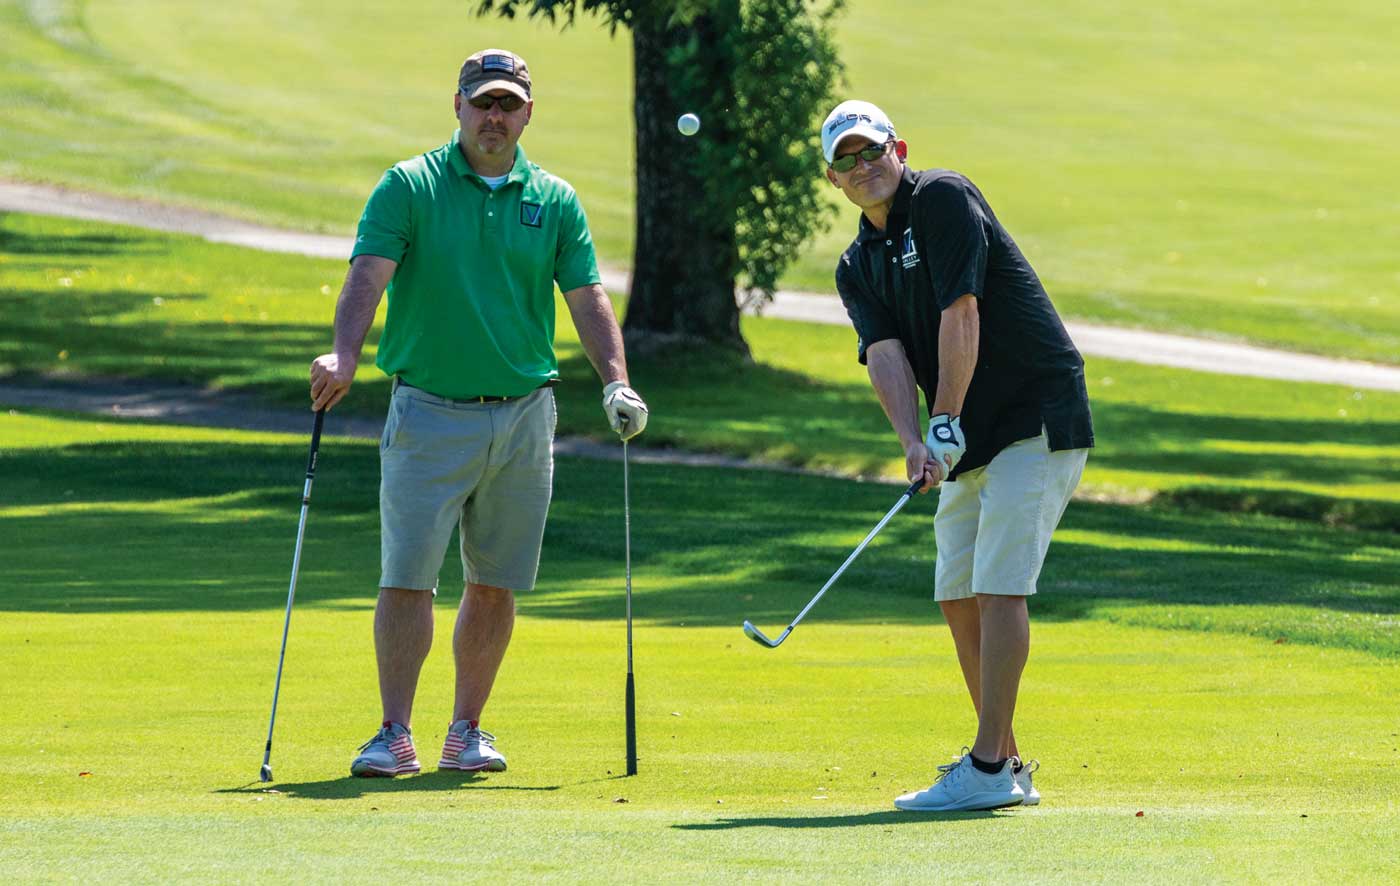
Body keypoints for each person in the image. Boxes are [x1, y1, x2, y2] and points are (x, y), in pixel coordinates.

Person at [308, 48, 649, 778]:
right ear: (456, 106)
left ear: (529, 111)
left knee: (495, 581)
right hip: (428, 409)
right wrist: (343, 354)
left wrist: (616, 381)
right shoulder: (411, 186)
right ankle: (394, 733)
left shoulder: (553, 198)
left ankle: (466, 730)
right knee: (408, 576)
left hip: (526, 416)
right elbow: (368, 276)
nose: (494, 117)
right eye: (482, 102)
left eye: (508, 104)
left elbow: (585, 297)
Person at [820, 100, 1093, 811]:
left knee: (1000, 584)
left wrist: (944, 419)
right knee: (956, 591)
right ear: (833, 177)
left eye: (871, 150)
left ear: (898, 148)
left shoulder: (941, 197)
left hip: (1032, 414)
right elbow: (883, 354)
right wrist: (912, 441)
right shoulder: (856, 265)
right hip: (965, 434)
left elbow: (961, 311)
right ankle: (1000, 762)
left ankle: (984, 764)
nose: (862, 166)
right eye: (846, 159)